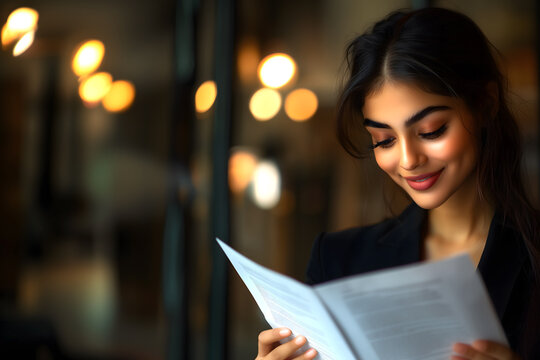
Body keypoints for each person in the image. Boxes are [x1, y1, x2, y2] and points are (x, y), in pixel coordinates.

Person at [255, 7, 540, 360]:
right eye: (384, 140)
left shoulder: (532, 255)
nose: (408, 160)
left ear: (485, 104)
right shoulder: (338, 262)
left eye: (431, 131)